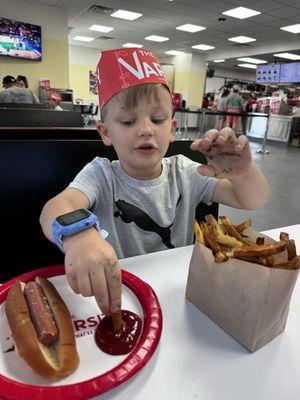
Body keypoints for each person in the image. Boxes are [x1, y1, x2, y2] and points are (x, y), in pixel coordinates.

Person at [39, 48, 270, 316]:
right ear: (105, 132)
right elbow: (54, 208)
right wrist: (78, 236)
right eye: (127, 121)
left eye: (157, 119)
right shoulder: (101, 175)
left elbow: (252, 200)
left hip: (180, 293)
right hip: (122, 297)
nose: (146, 129)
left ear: (171, 129)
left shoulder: (185, 171)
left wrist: (241, 173)